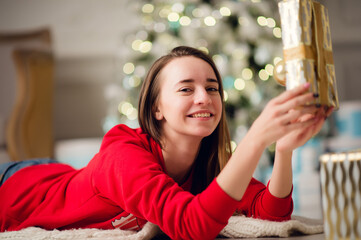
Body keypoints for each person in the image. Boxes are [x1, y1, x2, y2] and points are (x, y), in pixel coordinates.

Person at [0, 46, 332, 239]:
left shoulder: (211, 161)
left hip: (59, 175)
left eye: (212, 88)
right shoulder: (122, 155)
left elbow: (270, 216)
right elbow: (191, 225)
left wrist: (285, 149)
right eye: (186, 89)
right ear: (156, 108)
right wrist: (257, 137)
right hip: (14, 188)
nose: (204, 98)